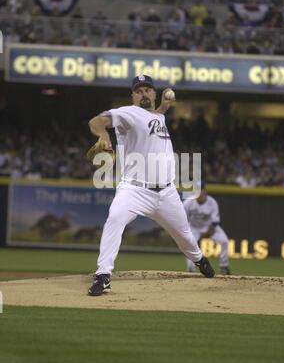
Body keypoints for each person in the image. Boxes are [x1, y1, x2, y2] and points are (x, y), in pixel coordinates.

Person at [87, 75, 215, 296]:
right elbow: (96, 121)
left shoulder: (157, 116)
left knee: (184, 235)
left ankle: (199, 259)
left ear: (154, 94)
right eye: (139, 90)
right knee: (115, 219)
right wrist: (103, 134)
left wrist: (164, 107)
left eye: (148, 89)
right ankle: (103, 275)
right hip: (134, 189)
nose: (144, 93)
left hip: (166, 192)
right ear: (133, 96)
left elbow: (153, 118)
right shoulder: (128, 113)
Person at [184, 182, 231, 275]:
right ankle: (190, 268)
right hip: (194, 227)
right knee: (189, 243)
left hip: (209, 227)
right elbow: (183, 220)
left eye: (200, 190)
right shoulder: (188, 202)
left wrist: (206, 234)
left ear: (205, 191)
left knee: (224, 241)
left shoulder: (212, 203)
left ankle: (224, 266)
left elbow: (214, 223)